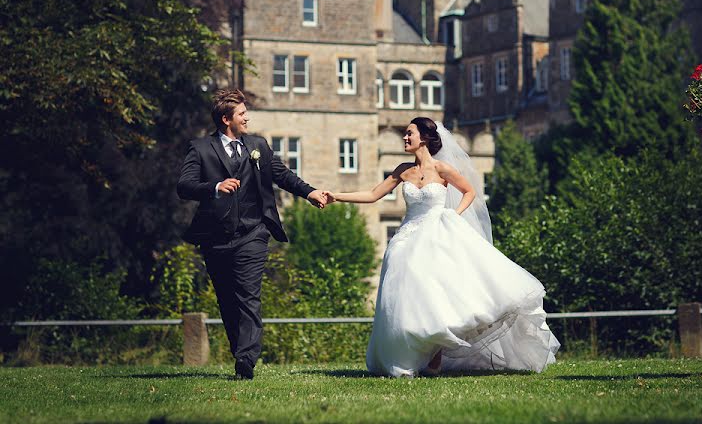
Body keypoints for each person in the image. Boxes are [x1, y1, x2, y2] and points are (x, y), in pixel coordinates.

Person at [326, 117, 559, 377]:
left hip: (436, 234)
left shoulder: (443, 169)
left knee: (433, 292)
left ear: (424, 138)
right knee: (403, 298)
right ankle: (405, 356)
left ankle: (435, 356)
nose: (405, 138)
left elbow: (469, 191)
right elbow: (372, 195)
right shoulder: (403, 170)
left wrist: (454, 215)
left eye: (409, 134)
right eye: (405, 134)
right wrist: (337, 196)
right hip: (406, 239)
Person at [177, 89, 331, 380]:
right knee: (227, 299)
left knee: (248, 295)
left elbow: (282, 175)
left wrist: (309, 192)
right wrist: (214, 187)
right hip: (215, 238)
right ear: (226, 119)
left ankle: (246, 360)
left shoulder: (258, 145)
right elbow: (184, 186)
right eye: (241, 114)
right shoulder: (200, 148)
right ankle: (241, 352)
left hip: (253, 232)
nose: (247, 117)